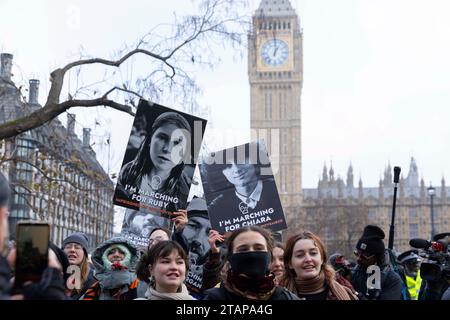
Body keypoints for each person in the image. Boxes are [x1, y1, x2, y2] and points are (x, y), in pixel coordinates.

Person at [115, 111, 193, 215]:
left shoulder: (185, 192)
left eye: (177, 142)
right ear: (150, 140)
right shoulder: (126, 174)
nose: (167, 149)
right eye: (162, 138)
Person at [201, 142, 285, 233]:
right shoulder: (216, 209)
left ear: (254, 160)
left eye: (240, 160)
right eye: (228, 166)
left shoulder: (280, 194)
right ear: (221, 173)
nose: (236, 169)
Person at [203, 226, 299, 300]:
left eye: (259, 248)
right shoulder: (214, 297)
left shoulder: (286, 298)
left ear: (269, 255)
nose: (252, 254)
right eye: (243, 249)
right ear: (231, 257)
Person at [281, 231, 357, 300]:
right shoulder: (278, 296)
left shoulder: (345, 293)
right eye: (300, 255)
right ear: (289, 263)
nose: (308, 259)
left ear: (322, 259)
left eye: (313, 253)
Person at [351, 225, 403, 300]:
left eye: (364, 256)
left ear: (377, 257)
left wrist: (357, 295)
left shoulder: (393, 280)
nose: (359, 259)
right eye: (357, 253)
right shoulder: (355, 274)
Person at [62, 232, 96, 300]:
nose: (72, 250)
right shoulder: (52, 275)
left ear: (84, 254)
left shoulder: (94, 280)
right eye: (68, 246)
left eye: (77, 247)